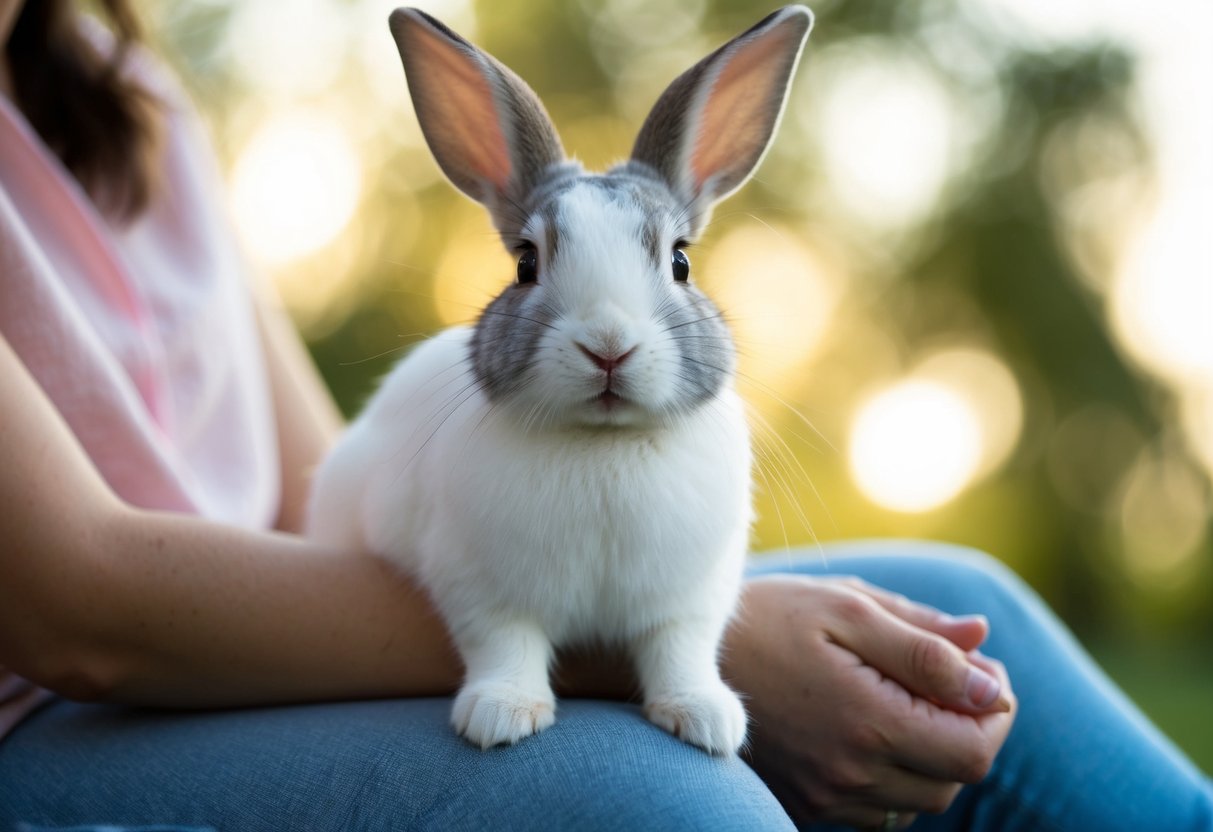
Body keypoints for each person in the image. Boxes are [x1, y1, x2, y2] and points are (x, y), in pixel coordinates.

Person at [0, 2, 1209, 830]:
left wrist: (686, 624)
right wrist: (662, 656)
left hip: (280, 628)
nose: (614, 337)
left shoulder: (128, 99)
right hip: (62, 716)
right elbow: (79, 608)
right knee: (669, 798)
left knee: (981, 639)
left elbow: (324, 488)